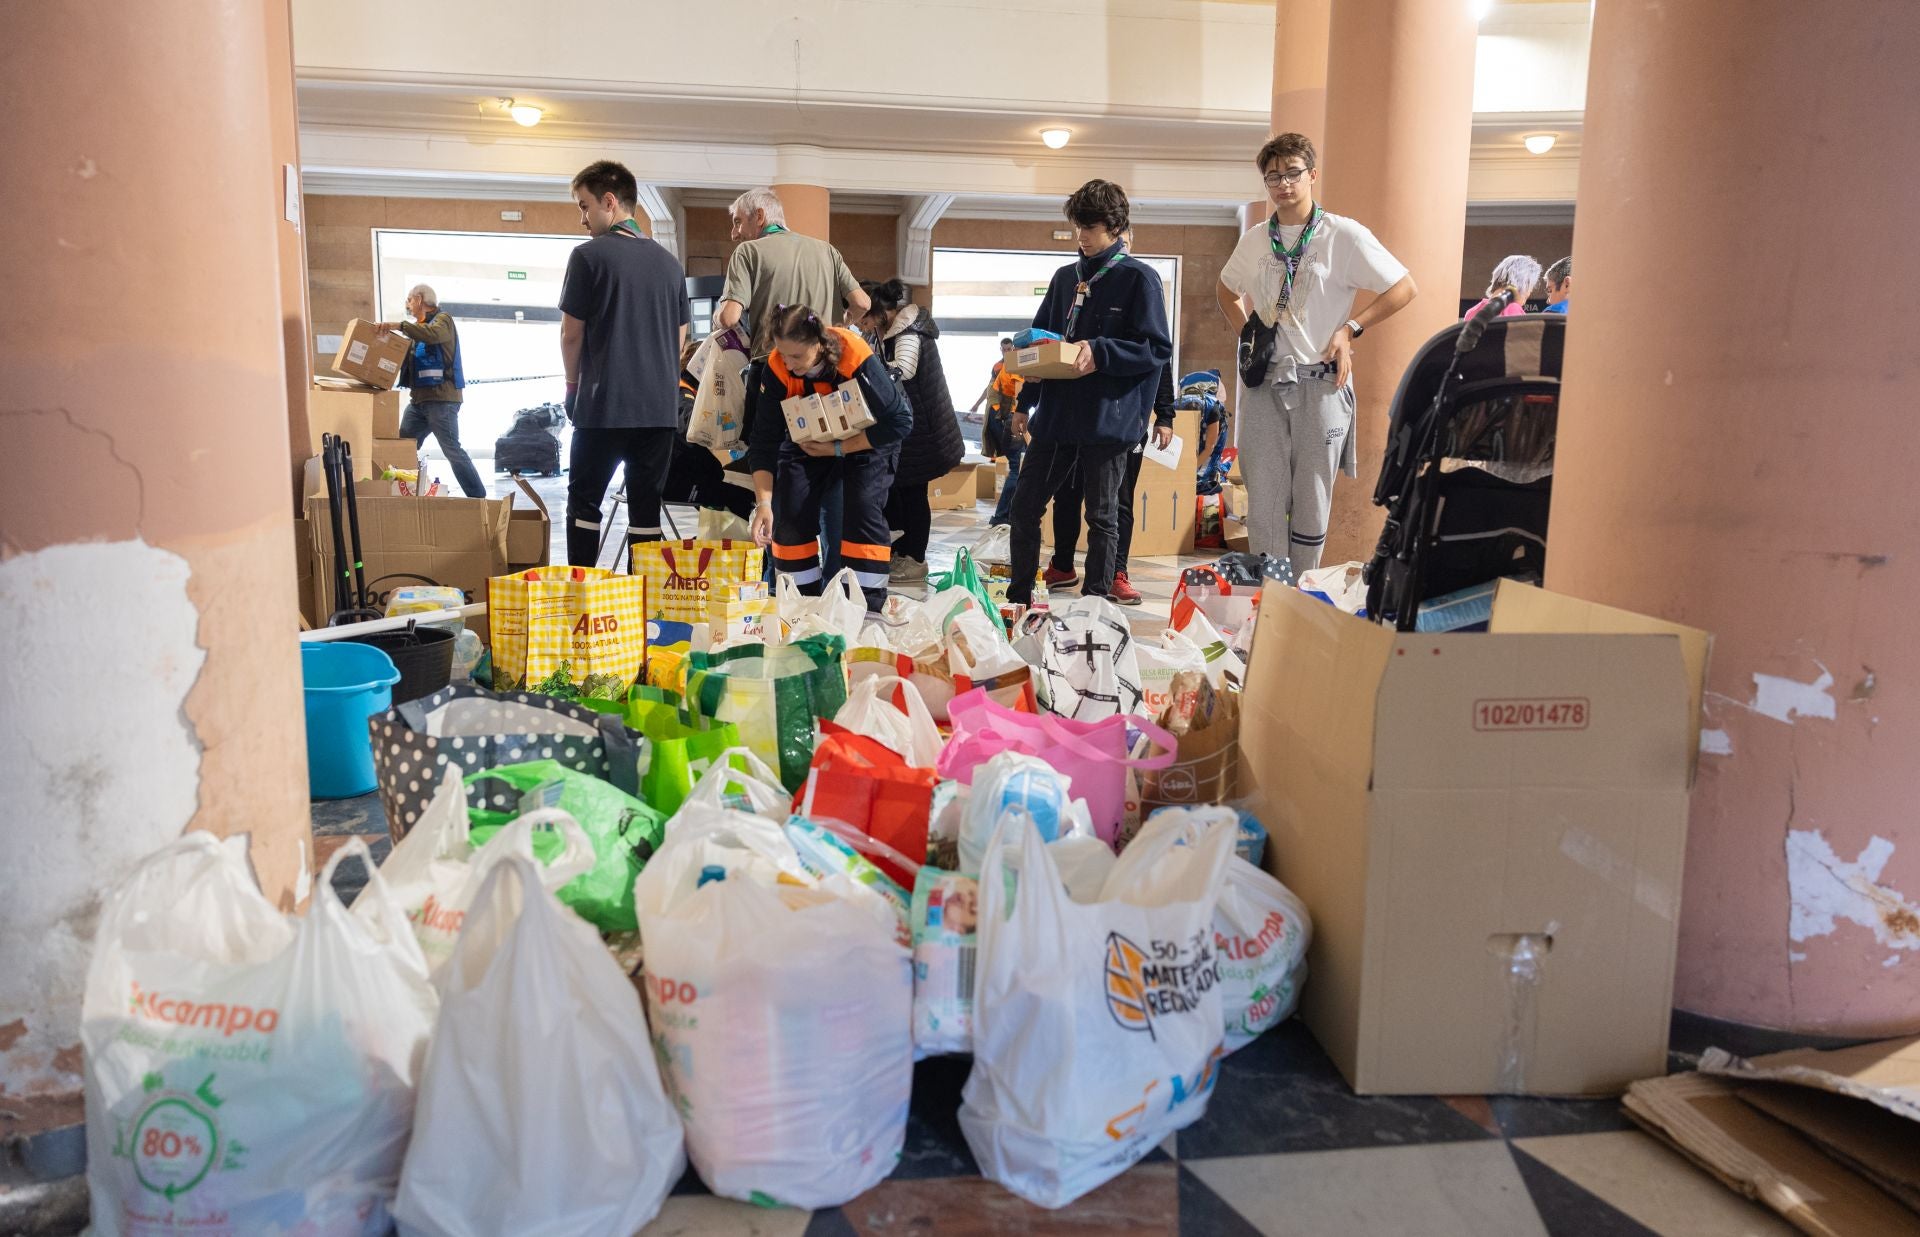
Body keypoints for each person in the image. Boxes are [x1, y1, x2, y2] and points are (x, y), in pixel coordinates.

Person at [1217, 132, 1417, 571]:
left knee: (1312, 494)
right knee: (1265, 493)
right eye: (1273, 177)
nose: (1283, 184)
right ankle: (1271, 595)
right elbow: (1225, 289)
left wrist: (1350, 328)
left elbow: (1403, 286)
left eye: (1292, 173)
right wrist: (1247, 337)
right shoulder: (1255, 240)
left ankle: (1301, 596)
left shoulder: (1342, 234)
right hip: (1264, 386)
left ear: (1311, 175)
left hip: (1321, 384)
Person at [1004, 179, 1172, 608]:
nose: (1083, 236)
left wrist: (1099, 351)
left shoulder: (1141, 279)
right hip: (1057, 418)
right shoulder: (1065, 278)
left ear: (1116, 227)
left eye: (1092, 227)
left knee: (1102, 518)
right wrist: (1025, 401)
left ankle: (1095, 606)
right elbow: (1040, 343)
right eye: (1079, 226)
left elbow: (1155, 349)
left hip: (1110, 421)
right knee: (1023, 509)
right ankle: (1018, 599)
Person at [714, 187, 871, 577]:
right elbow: (864, 303)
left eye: (738, 221)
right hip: (829, 380)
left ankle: (781, 574)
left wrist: (722, 312)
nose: (735, 232)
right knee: (830, 469)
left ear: (761, 217)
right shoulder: (826, 250)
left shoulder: (749, 254)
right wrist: (840, 329)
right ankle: (837, 577)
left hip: (775, 374)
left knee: (779, 469)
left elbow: (731, 318)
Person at [559, 159, 690, 566]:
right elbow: (681, 337)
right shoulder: (670, 266)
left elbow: (571, 333)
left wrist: (572, 386)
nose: (582, 218)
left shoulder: (588, 257)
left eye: (584, 206)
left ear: (610, 202)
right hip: (658, 411)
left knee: (585, 505)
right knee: (645, 512)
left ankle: (582, 598)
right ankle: (641, 606)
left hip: (604, 405)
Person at [747, 307, 913, 613]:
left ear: (818, 344)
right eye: (783, 354)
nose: (788, 363)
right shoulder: (777, 368)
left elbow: (900, 422)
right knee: (790, 513)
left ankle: (864, 607)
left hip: (869, 436)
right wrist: (765, 505)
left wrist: (839, 449)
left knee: (860, 508)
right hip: (809, 436)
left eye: (796, 356)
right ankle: (797, 606)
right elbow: (763, 442)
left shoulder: (854, 355)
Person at [863, 279, 964, 586]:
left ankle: (915, 560)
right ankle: (900, 554)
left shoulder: (909, 332)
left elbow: (902, 372)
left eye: (863, 316)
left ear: (880, 311)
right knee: (897, 492)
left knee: (913, 494)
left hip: (924, 432)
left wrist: (867, 366)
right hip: (908, 430)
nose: (860, 322)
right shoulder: (884, 332)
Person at [383, 285, 487, 498]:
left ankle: (478, 498)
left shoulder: (442, 320)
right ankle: (403, 493)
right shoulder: (417, 329)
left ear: (420, 299)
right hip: (419, 402)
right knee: (404, 447)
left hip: (442, 401)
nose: (408, 305)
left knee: (451, 450)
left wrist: (399, 325)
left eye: (410, 300)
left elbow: (434, 335)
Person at [663, 339, 756, 522]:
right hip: (675, 484)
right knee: (742, 498)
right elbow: (691, 427)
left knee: (732, 490)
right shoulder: (683, 396)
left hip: (682, 477)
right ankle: (734, 546)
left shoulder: (684, 391)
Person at [976, 340, 1027, 526]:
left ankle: (1006, 513)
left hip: (998, 416)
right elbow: (1019, 400)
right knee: (1017, 467)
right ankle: (1002, 515)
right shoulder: (1013, 367)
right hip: (1003, 417)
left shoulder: (1009, 365)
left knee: (1017, 465)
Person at [1466, 255, 1541, 319]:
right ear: (1525, 283)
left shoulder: (1471, 312)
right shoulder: (1513, 309)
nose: (1530, 292)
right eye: (1531, 286)